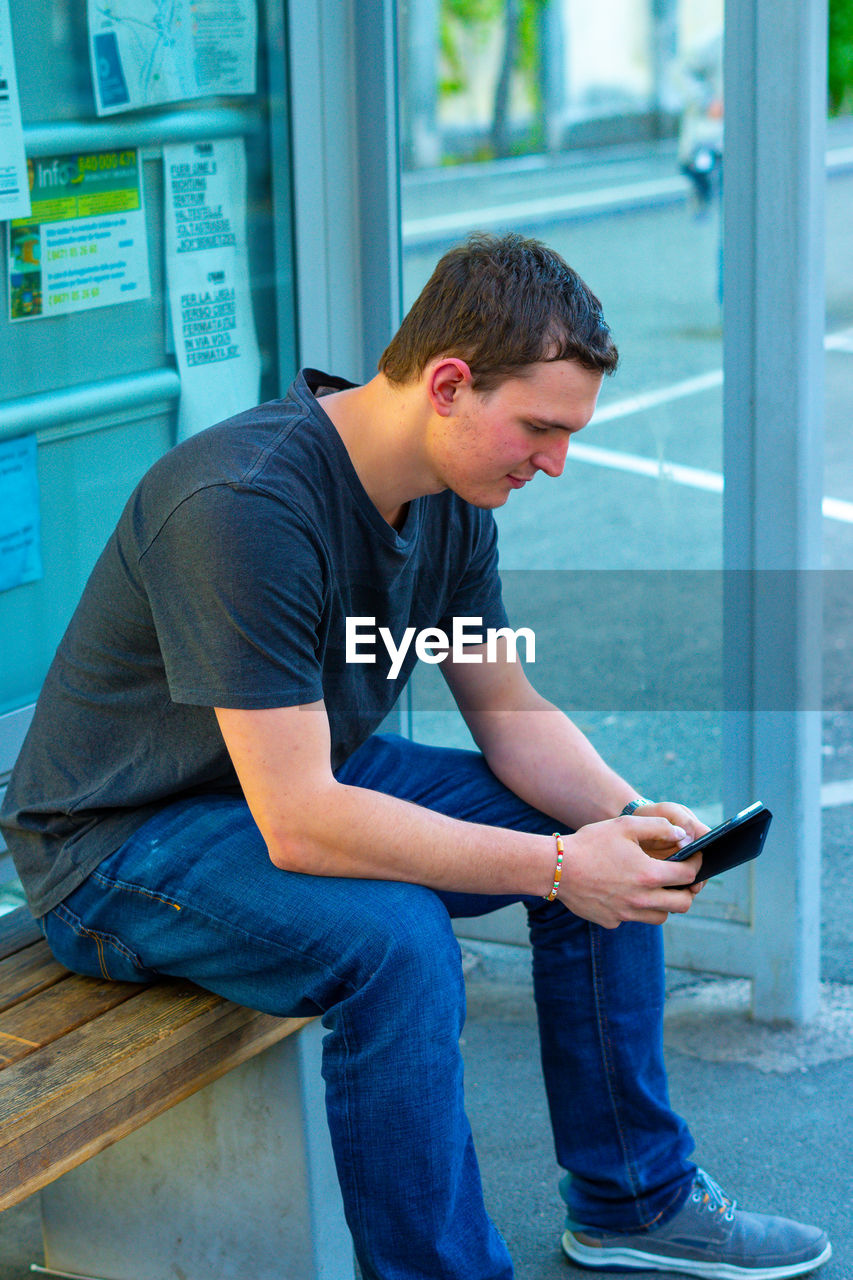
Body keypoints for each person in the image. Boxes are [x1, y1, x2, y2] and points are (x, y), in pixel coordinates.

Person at [0, 233, 831, 1280]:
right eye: (539, 428)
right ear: (447, 383)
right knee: (398, 943)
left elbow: (511, 710)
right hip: (119, 844)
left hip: (278, 784)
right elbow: (300, 821)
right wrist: (566, 867)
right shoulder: (241, 507)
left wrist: (628, 819)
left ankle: (634, 1197)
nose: (556, 461)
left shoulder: (450, 496)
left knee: (592, 835)